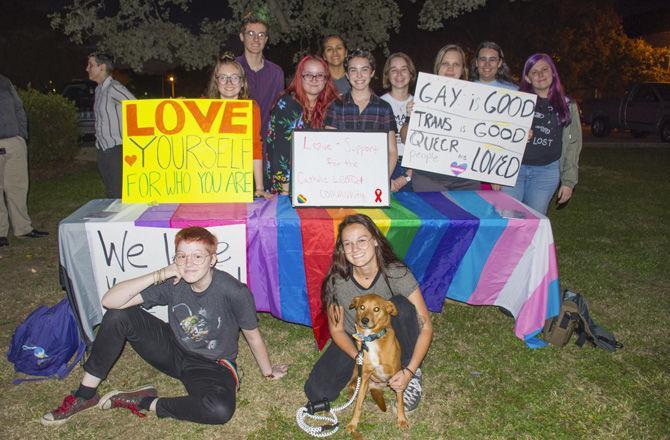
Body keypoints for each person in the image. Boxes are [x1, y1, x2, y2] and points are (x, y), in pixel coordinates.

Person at [41, 226, 287, 426]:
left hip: (210, 364)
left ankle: (144, 401)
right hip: (172, 348)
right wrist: (159, 274)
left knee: (220, 410)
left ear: (213, 259)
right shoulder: (174, 282)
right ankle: (85, 395)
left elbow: (252, 336)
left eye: (197, 256)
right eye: (182, 256)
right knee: (118, 316)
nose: (188, 263)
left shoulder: (234, 292)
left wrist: (267, 371)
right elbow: (109, 301)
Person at [304, 214, 433, 413]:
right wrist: (360, 359)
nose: (355, 249)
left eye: (362, 240)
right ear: (342, 249)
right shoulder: (337, 281)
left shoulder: (396, 273)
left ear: (375, 240)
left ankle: (407, 372)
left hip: (391, 335)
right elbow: (337, 331)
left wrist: (410, 370)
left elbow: (426, 327)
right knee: (317, 391)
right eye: (348, 244)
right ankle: (360, 372)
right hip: (356, 337)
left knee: (402, 305)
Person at [496, 53, 582, 214]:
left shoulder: (568, 106)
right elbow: (499, 137)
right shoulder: (516, 103)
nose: (540, 74)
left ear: (553, 73)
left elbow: (573, 145)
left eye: (545, 69)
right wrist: (496, 174)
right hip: (514, 170)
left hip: (546, 172)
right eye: (534, 72)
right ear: (527, 78)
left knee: (533, 222)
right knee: (507, 219)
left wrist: (568, 182)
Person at [400, 44, 480, 191]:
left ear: (463, 69)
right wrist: (410, 116)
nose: (450, 69)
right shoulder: (425, 96)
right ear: (438, 68)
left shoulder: (477, 100)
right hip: (428, 178)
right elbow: (405, 138)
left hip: (466, 179)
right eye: (445, 64)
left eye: (456, 64)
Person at [265, 55, 339, 194]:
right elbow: (280, 151)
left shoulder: (331, 105)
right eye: (308, 75)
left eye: (319, 75)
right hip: (287, 184)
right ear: (300, 77)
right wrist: (285, 188)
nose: (314, 79)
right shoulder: (287, 104)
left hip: (316, 181)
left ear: (326, 79)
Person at [325, 49, 398, 187]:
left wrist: (382, 179)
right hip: (341, 181)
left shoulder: (384, 108)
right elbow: (329, 148)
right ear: (347, 75)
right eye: (353, 70)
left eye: (364, 69)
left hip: (374, 180)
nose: (359, 75)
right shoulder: (336, 105)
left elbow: (392, 151)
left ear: (372, 73)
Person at [206, 54, 271, 199]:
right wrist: (180, 107)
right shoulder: (202, 107)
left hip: (238, 182)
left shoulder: (252, 108)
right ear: (216, 82)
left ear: (242, 82)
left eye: (235, 77)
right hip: (207, 181)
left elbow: (255, 147)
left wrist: (259, 187)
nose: (229, 82)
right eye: (223, 77)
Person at [0, 74, 49, 247]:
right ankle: (0, 233)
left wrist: (22, 135)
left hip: (14, 142)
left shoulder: (5, 82)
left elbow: (19, 108)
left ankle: (23, 229)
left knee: (18, 187)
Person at [86, 52, 136, 198]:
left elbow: (136, 107)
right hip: (103, 150)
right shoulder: (99, 90)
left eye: (91, 65)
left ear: (102, 67)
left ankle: (125, 220)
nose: (87, 68)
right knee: (111, 193)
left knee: (118, 195)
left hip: (117, 150)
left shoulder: (114, 88)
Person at [236, 13, 285, 149]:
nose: (256, 39)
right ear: (242, 37)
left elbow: (278, 112)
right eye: (250, 33)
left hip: (266, 145)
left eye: (261, 35)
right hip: (236, 143)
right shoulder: (231, 69)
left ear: (266, 39)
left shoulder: (276, 73)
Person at [381, 53, 416, 193]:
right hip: (385, 166)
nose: (399, 74)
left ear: (411, 73)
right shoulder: (379, 104)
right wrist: (384, 177)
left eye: (404, 69)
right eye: (394, 70)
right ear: (387, 75)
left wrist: (408, 176)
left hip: (414, 170)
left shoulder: (421, 103)